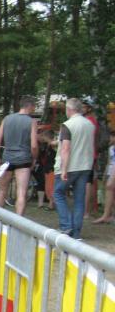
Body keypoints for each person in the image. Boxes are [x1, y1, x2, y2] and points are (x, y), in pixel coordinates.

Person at [53, 98, 95, 239]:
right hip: (85, 165)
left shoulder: (67, 125)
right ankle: (76, 232)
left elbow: (65, 148)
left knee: (58, 194)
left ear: (69, 109)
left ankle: (66, 226)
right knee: (79, 199)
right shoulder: (89, 125)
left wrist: (64, 169)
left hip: (70, 166)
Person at [0, 96, 38, 215]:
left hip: (7, 159)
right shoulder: (32, 122)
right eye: (34, 106)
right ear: (30, 106)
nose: (34, 109)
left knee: (2, 190)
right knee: (21, 192)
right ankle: (18, 221)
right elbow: (34, 145)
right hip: (23, 160)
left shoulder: (7, 119)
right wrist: (34, 159)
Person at [82, 97, 101, 217]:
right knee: (90, 182)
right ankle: (91, 209)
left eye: (84, 107)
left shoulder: (90, 121)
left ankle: (86, 211)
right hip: (89, 154)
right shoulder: (91, 120)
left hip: (87, 155)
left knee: (87, 182)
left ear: (89, 108)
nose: (81, 108)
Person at [93, 132, 115, 224]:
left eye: (112, 137)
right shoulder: (111, 148)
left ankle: (106, 215)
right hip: (111, 170)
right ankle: (109, 215)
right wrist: (106, 173)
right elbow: (109, 162)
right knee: (109, 189)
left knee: (109, 187)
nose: (110, 139)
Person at [35, 129, 56, 211]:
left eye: (44, 136)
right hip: (47, 168)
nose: (43, 138)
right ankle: (51, 203)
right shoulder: (46, 145)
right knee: (48, 187)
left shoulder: (53, 145)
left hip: (51, 168)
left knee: (51, 187)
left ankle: (51, 204)